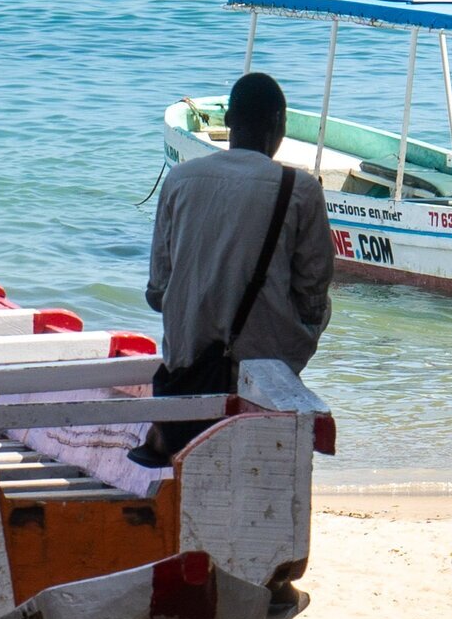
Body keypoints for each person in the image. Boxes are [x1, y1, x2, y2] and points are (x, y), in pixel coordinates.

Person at [135, 71, 333, 468]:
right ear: (279, 125)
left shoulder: (178, 180)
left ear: (229, 122)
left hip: (188, 362)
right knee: (322, 307)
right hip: (263, 358)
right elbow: (312, 296)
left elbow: (157, 292)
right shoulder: (300, 189)